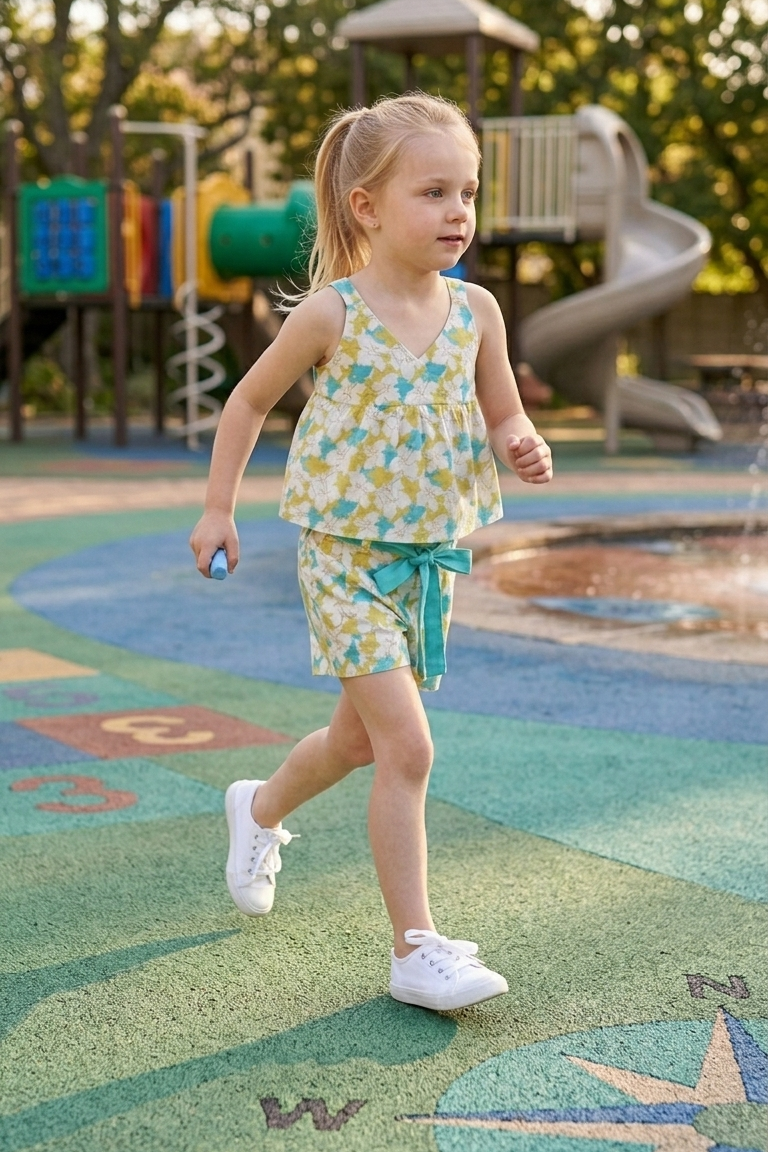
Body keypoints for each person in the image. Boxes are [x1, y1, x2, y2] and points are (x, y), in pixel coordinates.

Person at [190, 93, 553, 1013]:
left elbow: (502, 409)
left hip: (428, 562)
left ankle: (259, 807)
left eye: (467, 191)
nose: (459, 212)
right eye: (434, 192)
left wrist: (519, 441)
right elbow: (246, 403)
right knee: (408, 747)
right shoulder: (331, 314)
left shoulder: (478, 311)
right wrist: (217, 511)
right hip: (345, 561)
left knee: (356, 740)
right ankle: (415, 949)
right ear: (367, 207)